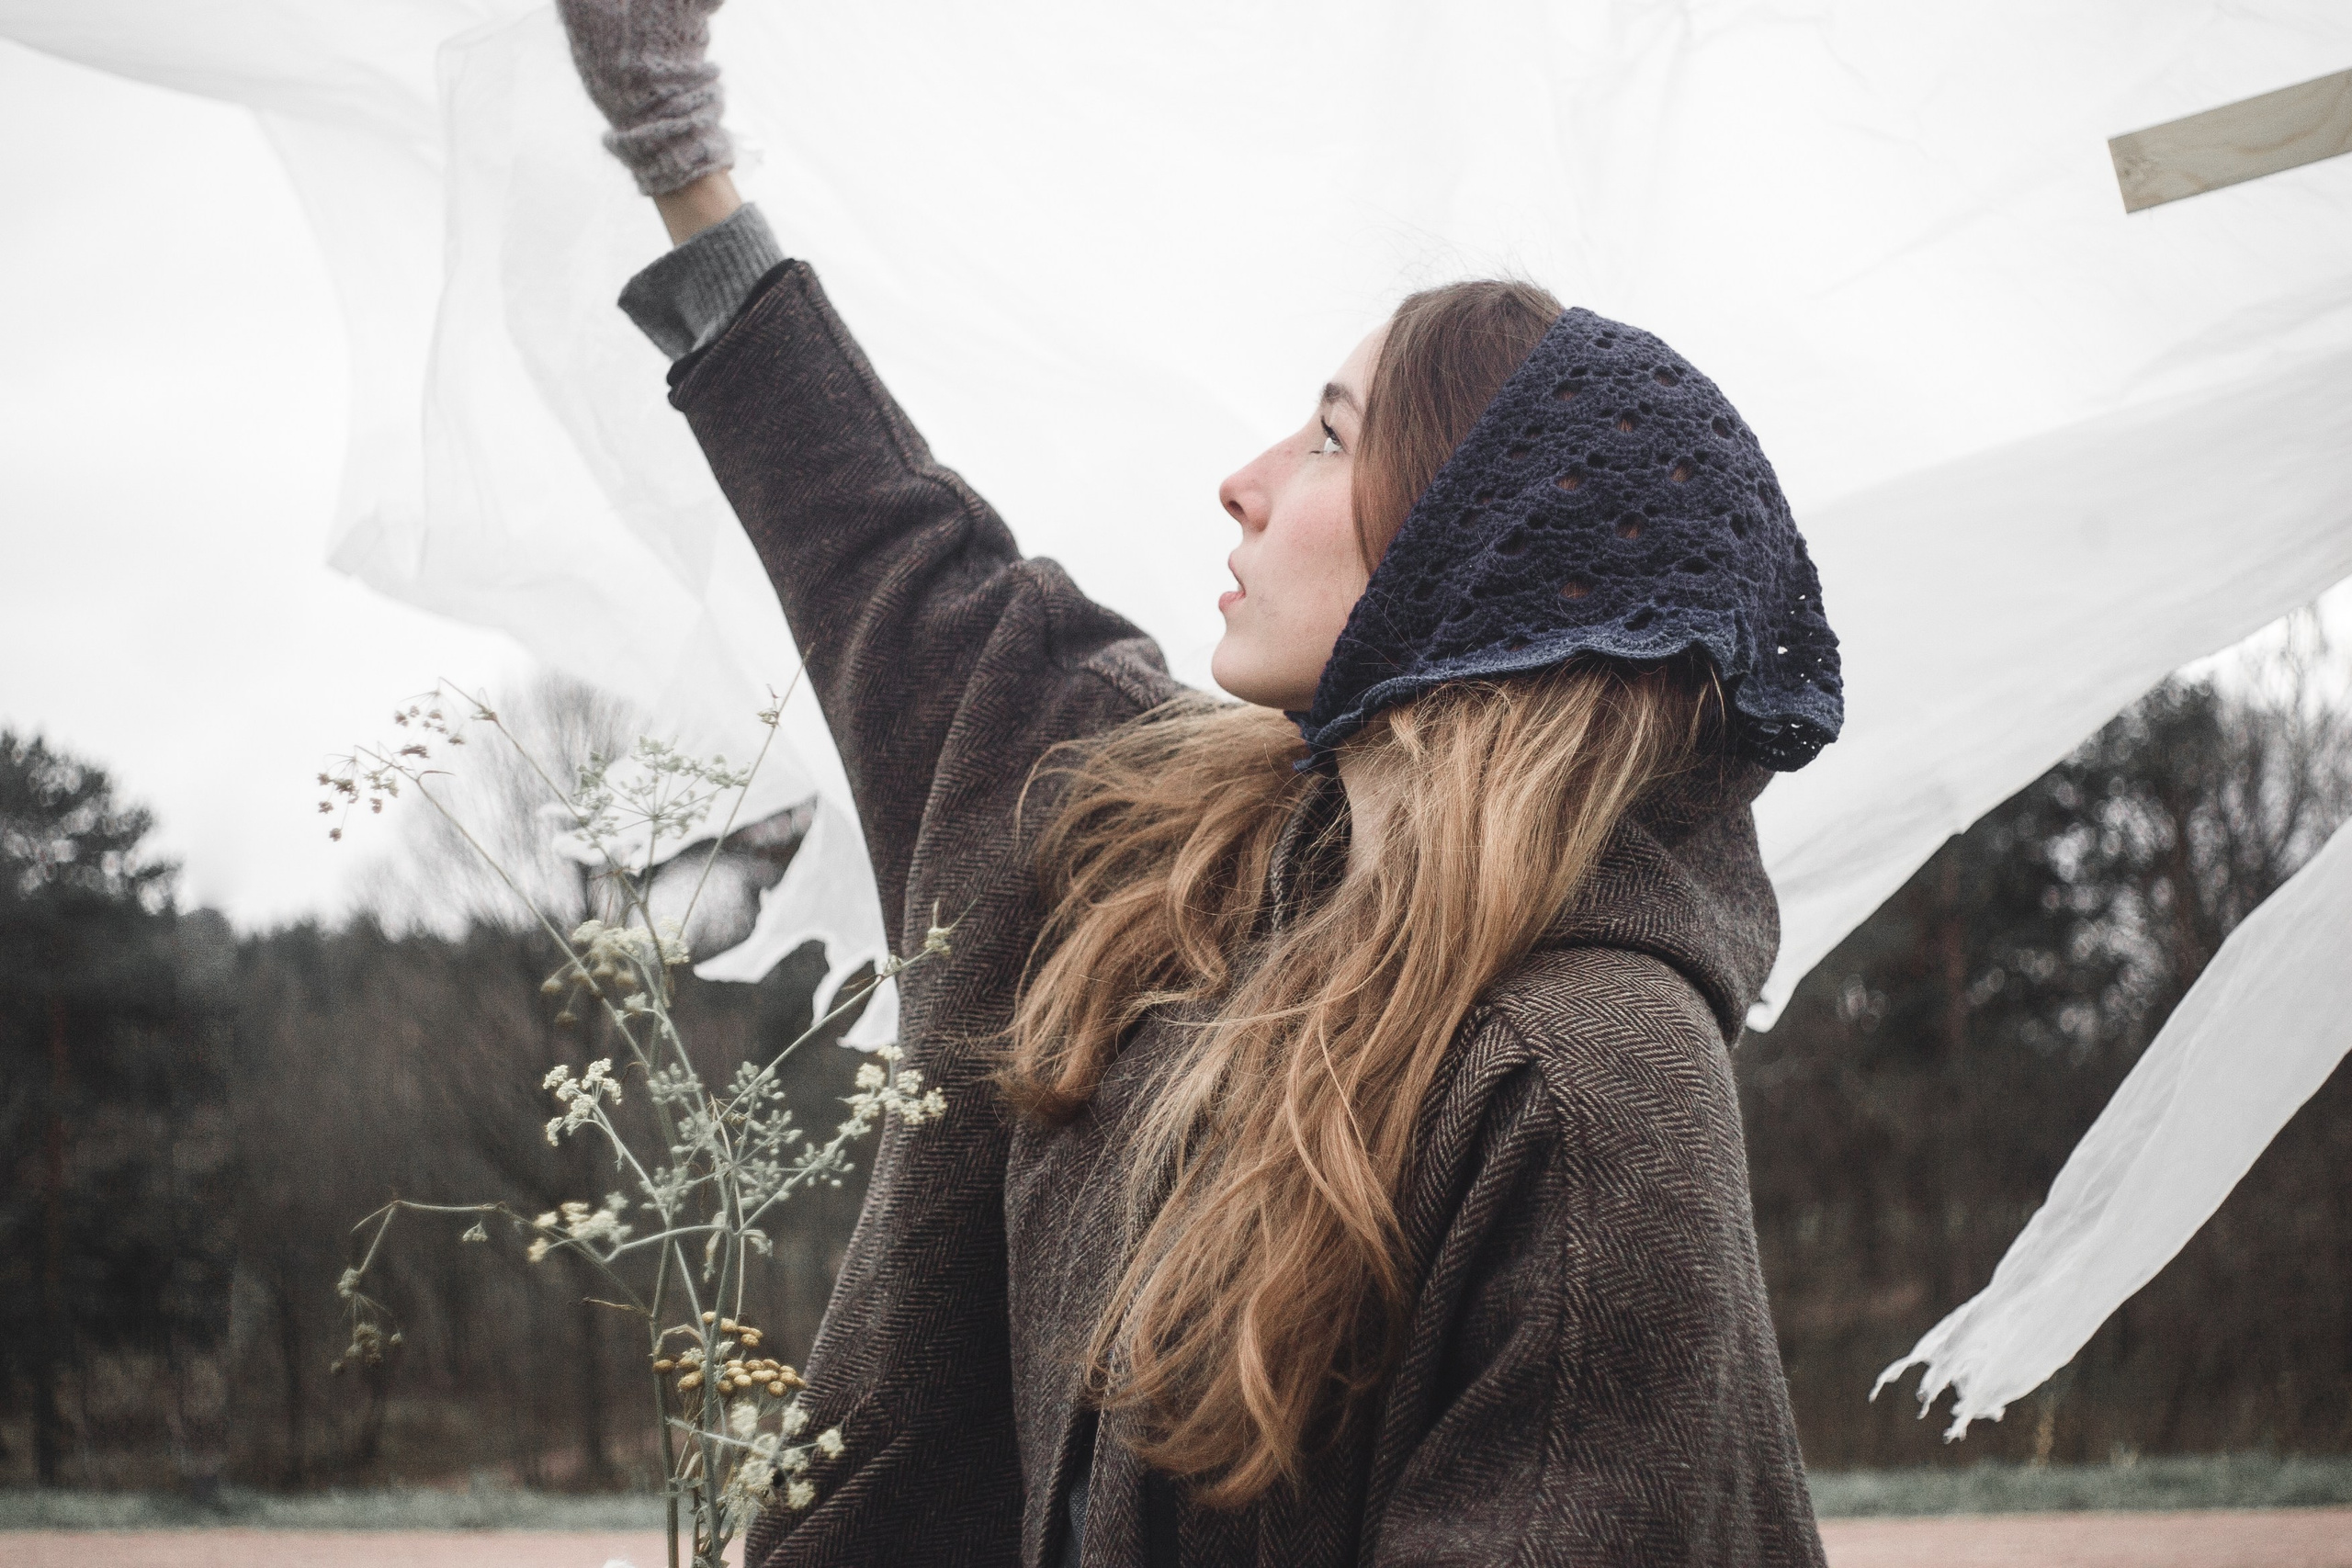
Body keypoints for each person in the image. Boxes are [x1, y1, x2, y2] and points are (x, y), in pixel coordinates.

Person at [557, 4, 1844, 1563]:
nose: (1244, 479)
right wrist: (677, 144)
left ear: (1468, 558)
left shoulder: (1586, 1087)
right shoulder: (1167, 846)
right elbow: (896, 556)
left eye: (1325, 437)